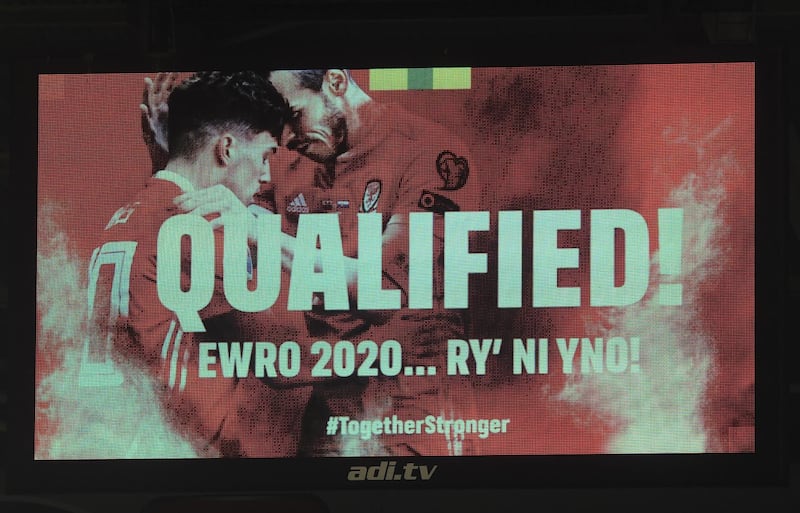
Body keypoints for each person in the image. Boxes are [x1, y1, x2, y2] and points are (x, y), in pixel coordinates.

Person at [142, 69, 482, 456]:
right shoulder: (290, 165)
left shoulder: (430, 154)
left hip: (416, 411)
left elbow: (387, 291)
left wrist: (259, 231)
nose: (286, 136)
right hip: (330, 416)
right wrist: (178, 158)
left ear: (335, 83)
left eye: (294, 114)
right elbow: (215, 220)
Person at [93, 71, 312, 457]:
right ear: (226, 149)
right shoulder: (206, 228)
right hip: (185, 454)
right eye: (264, 156)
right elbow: (287, 362)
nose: (265, 177)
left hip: (117, 437)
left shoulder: (127, 215)